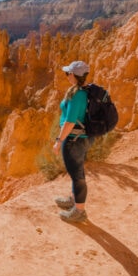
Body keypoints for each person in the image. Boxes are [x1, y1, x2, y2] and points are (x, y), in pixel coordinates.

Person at [53, 60, 92, 223]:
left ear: (75, 75)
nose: (67, 75)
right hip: (80, 138)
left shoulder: (77, 95)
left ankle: (79, 211)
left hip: (74, 139)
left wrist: (59, 140)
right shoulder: (81, 91)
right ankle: (73, 199)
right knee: (77, 172)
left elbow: (69, 121)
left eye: (68, 73)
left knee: (77, 176)